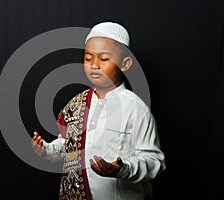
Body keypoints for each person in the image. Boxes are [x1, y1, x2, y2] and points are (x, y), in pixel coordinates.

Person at [31, 21, 166, 200]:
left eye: (104, 58)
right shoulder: (76, 104)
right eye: (88, 58)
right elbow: (67, 145)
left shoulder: (135, 109)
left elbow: (154, 161)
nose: (94, 65)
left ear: (125, 64)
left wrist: (123, 169)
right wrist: (46, 150)